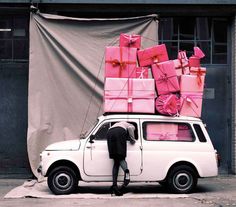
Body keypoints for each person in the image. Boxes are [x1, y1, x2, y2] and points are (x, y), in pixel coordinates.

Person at [106, 121, 136, 196]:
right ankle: (127, 176)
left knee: (116, 160)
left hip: (109, 133)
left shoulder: (118, 124)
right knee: (121, 157)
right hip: (119, 132)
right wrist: (132, 139)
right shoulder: (130, 125)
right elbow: (131, 128)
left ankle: (114, 186)